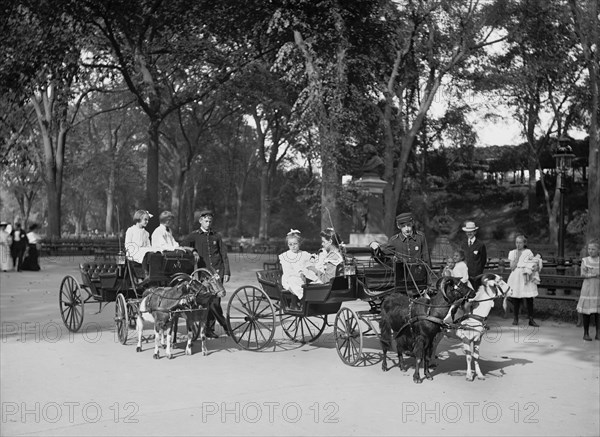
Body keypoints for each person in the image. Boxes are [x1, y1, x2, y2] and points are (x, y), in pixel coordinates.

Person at [180, 210, 230, 339]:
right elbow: (183, 245)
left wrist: (227, 272)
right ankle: (221, 326)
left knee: (216, 301)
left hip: (218, 272)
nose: (208, 224)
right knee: (209, 301)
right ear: (200, 221)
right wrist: (193, 251)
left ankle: (211, 329)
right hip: (204, 274)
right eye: (206, 221)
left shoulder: (216, 236)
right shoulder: (194, 236)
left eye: (210, 221)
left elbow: (223, 254)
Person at [507, 234, 541, 327]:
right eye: (516, 242)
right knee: (516, 298)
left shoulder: (528, 252)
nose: (518, 245)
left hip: (526, 275)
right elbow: (512, 268)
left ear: (524, 243)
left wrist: (533, 267)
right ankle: (515, 318)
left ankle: (531, 319)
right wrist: (517, 257)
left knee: (529, 298)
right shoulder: (512, 253)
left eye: (520, 243)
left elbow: (532, 263)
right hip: (516, 275)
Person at [279, 230, 314, 300]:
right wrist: (300, 273)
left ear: (299, 243)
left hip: (303, 277)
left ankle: (311, 297)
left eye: (295, 244)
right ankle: (303, 298)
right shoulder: (286, 256)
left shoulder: (304, 254)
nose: (293, 246)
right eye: (290, 244)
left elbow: (311, 262)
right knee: (294, 281)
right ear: (288, 245)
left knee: (315, 281)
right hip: (290, 278)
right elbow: (287, 272)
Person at [576, 240, 599, 341]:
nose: (591, 251)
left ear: (598, 250)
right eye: (589, 249)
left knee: (598, 312)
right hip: (588, 288)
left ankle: (598, 333)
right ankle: (586, 333)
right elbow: (583, 274)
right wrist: (594, 274)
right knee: (587, 312)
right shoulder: (585, 260)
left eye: (593, 249)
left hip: (598, 288)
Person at [460, 221, 487, 290]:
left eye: (471, 231)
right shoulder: (463, 244)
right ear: (465, 233)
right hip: (465, 274)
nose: (469, 233)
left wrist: (478, 271)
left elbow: (483, 260)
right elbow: (461, 258)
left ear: (475, 232)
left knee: (476, 293)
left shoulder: (480, 245)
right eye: (467, 231)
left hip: (476, 276)